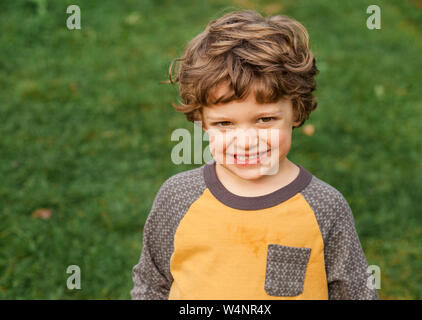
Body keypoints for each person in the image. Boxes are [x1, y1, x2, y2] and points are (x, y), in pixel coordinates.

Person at [130, 9, 379, 300]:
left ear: (296, 111)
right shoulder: (178, 198)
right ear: (202, 121)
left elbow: (356, 294)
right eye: (225, 123)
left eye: (264, 120)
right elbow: (151, 285)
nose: (246, 142)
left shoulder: (325, 208)